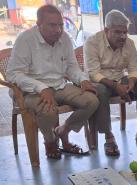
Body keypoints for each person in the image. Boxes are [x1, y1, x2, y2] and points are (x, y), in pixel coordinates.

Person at [6, 4, 98, 159]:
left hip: (59, 85)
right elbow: (13, 74)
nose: (58, 30)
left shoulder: (65, 38)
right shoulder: (26, 39)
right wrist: (41, 88)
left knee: (92, 100)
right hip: (29, 91)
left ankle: (63, 131)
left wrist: (83, 80)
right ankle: (50, 141)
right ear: (39, 24)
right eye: (52, 25)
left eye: (60, 25)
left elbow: (72, 67)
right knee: (48, 109)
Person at [84, 9, 137, 154]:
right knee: (100, 91)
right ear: (106, 30)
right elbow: (93, 73)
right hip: (99, 81)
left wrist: (131, 82)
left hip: (120, 78)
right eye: (118, 32)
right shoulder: (92, 42)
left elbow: (133, 69)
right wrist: (115, 86)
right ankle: (109, 137)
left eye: (125, 32)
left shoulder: (129, 43)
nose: (123, 36)